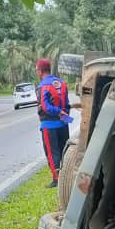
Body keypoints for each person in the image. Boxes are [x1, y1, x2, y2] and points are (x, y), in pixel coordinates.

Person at [35, 58, 71, 188]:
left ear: (40, 71)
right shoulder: (61, 83)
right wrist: (64, 116)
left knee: (52, 152)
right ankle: (67, 176)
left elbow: (45, 107)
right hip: (63, 124)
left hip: (48, 125)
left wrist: (57, 112)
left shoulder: (42, 86)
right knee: (64, 151)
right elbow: (67, 104)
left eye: (37, 70)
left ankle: (56, 179)